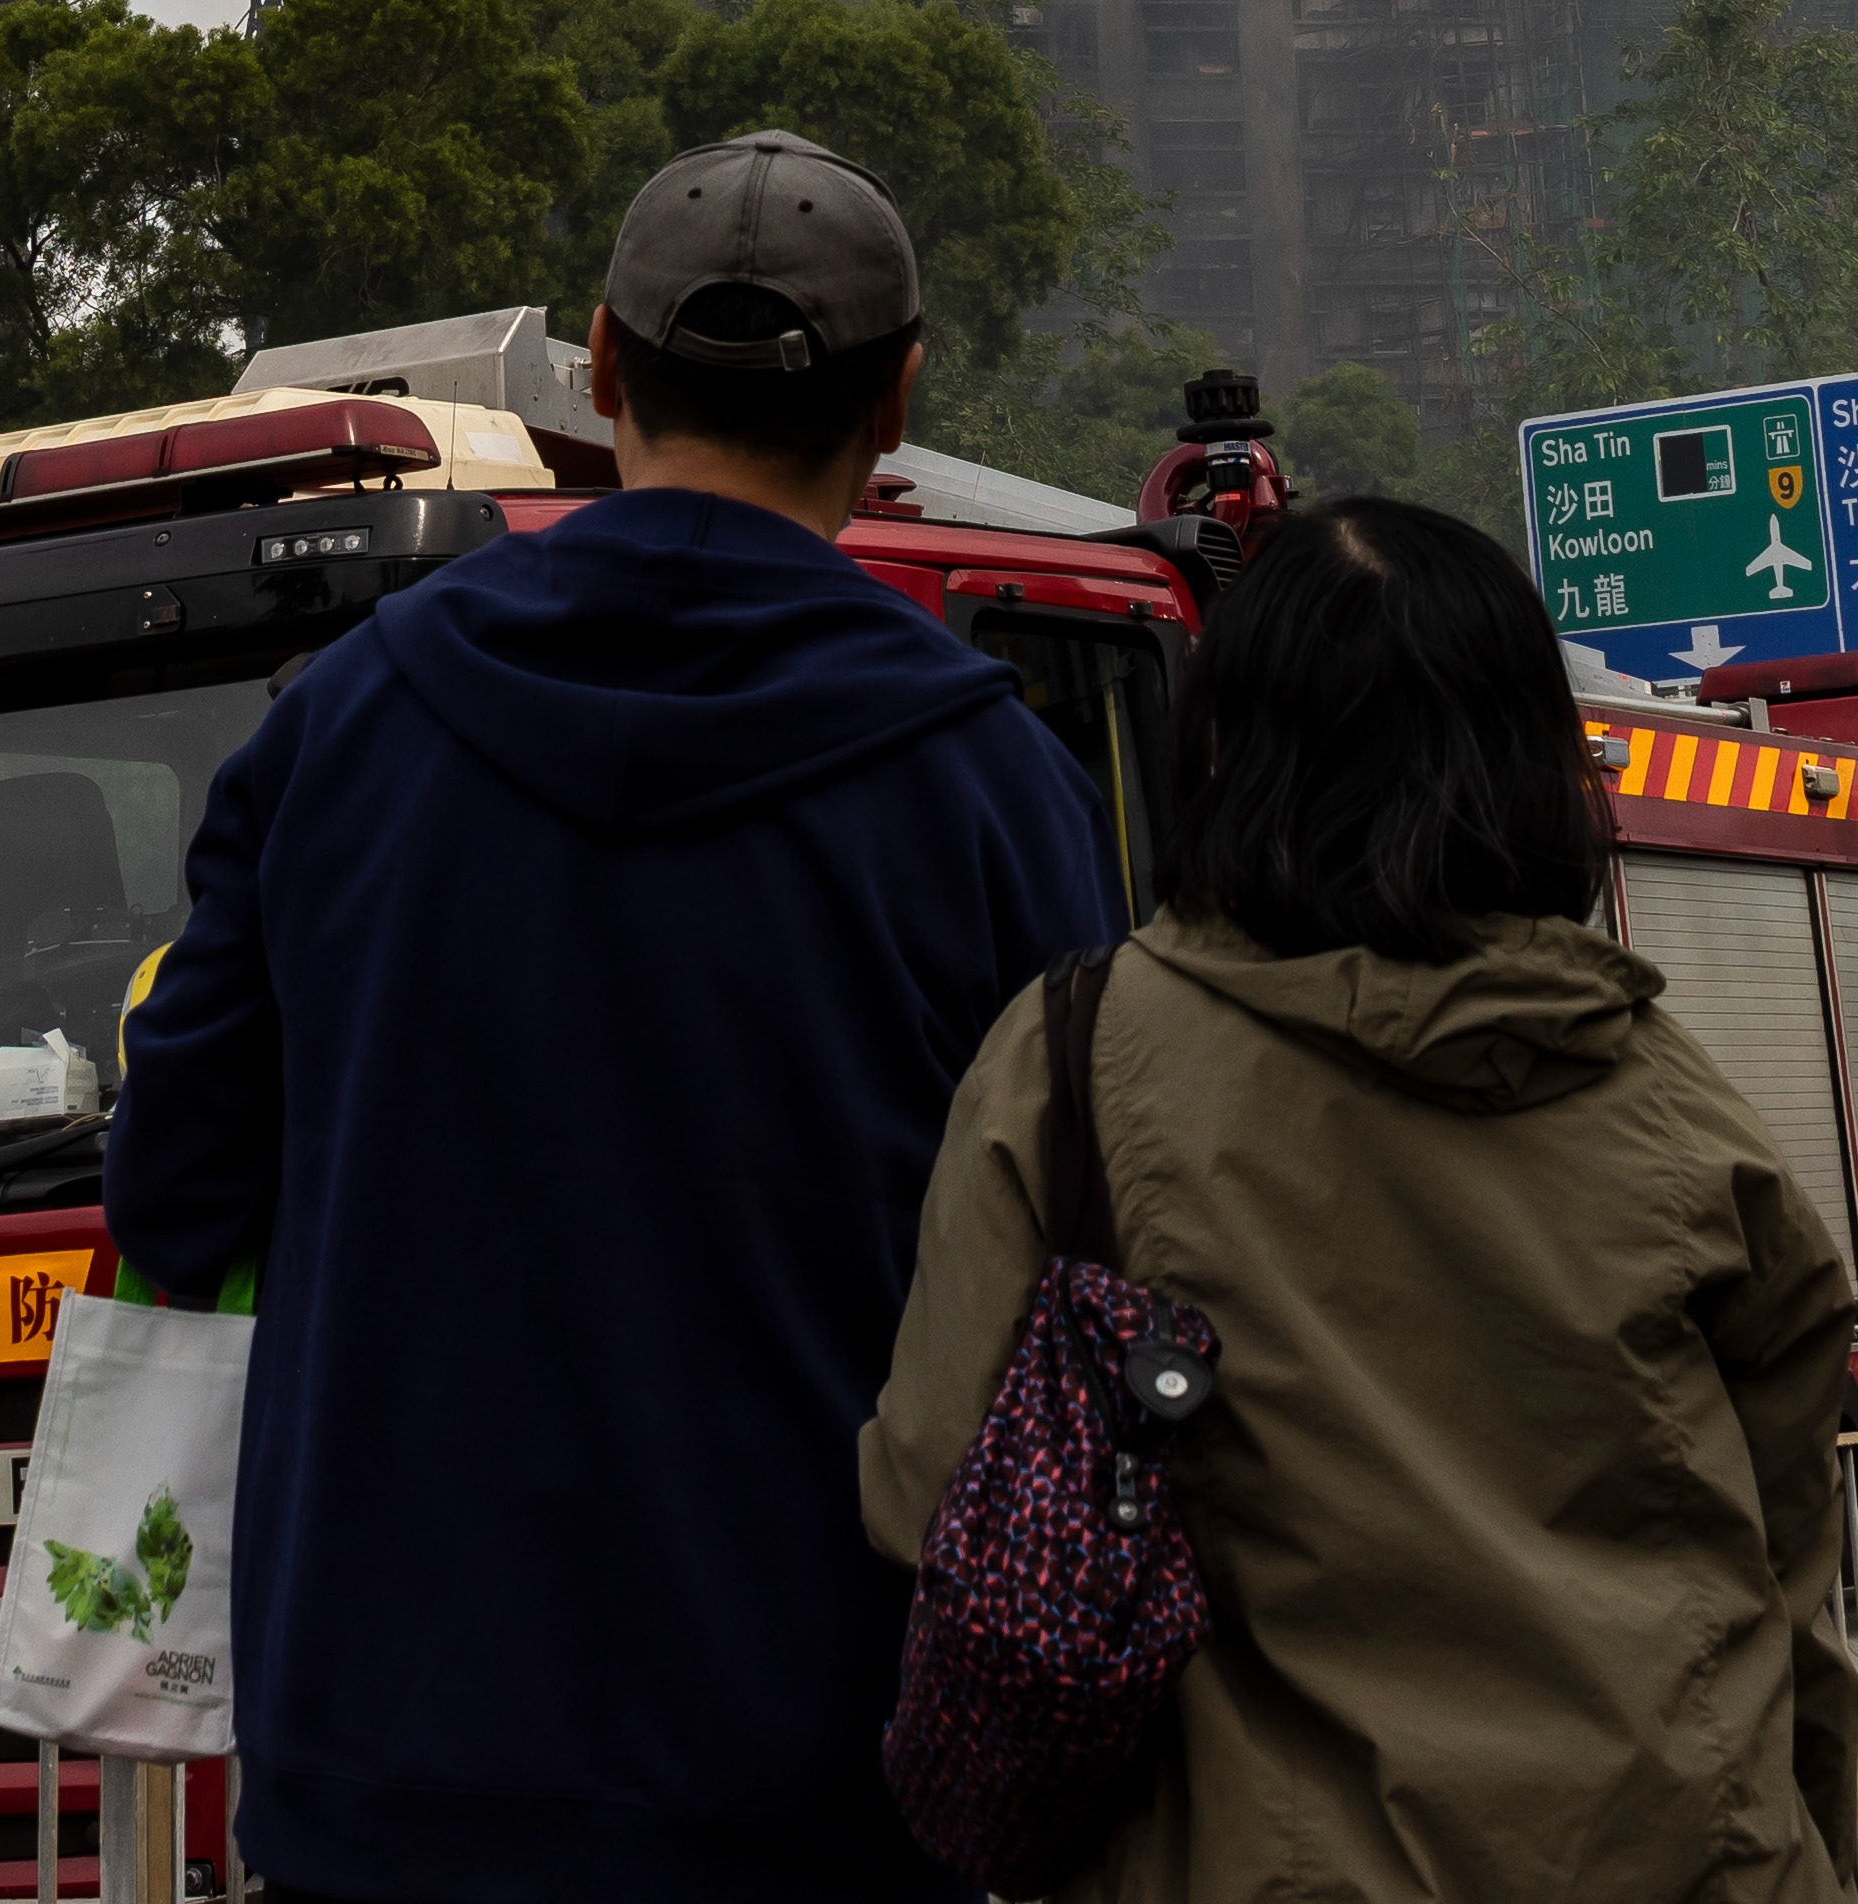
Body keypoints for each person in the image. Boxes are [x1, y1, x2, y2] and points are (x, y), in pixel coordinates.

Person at [104, 132, 1113, 1904]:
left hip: (381, 1770)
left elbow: (173, 1194)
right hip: (820, 1776)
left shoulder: (335, 731)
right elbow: (1081, 1264)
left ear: (600, 362)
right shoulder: (989, 784)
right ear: (896, 399)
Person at [857, 496, 1857, 1901]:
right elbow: (1791, 1573)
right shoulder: (1670, 1099)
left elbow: (930, 1496)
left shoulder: (1074, 1062)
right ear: (1532, 759)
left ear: (1220, 746)